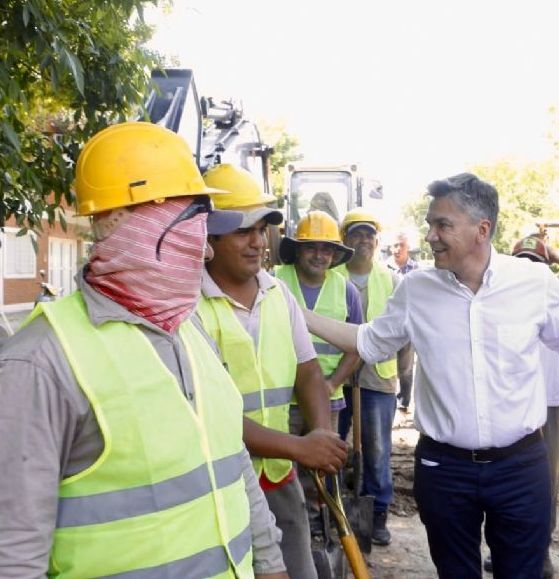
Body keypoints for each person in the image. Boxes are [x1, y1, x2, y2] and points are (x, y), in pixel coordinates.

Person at [303, 172, 559, 579]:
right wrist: (300, 316)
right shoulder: (416, 290)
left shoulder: (532, 282)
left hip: (520, 466)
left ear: (482, 229)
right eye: (430, 224)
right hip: (444, 470)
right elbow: (369, 341)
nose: (431, 236)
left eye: (442, 225)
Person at [0, 122, 288, 578]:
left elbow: (230, 461)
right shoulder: (40, 361)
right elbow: (13, 553)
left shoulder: (189, 328)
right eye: (194, 222)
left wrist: (270, 562)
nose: (206, 252)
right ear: (139, 221)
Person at [199, 164, 348, 579]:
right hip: (220, 479)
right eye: (244, 231)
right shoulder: (189, 304)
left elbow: (309, 373)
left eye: (263, 229)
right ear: (210, 237)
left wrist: (321, 435)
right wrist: (300, 448)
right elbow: (207, 412)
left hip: (279, 479)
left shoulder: (277, 293)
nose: (258, 242)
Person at [484, 234, 559, 577]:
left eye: (535, 261)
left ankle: (539, 552)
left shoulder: (548, 289)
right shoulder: (499, 294)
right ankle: (502, 548)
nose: (528, 267)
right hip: (509, 404)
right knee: (501, 483)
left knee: (543, 484)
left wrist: (557, 254)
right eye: (522, 260)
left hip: (547, 403)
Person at [274, 210, 363, 533]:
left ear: (336, 254)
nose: (319, 255)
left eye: (326, 249)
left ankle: (316, 526)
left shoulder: (346, 291)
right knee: (279, 468)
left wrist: (331, 383)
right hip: (281, 399)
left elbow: (357, 345)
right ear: (297, 250)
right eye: (311, 247)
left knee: (321, 468)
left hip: (328, 399)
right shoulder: (273, 280)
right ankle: (283, 524)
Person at [335, 208, 400, 546]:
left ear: (377, 241)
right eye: (356, 234)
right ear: (345, 240)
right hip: (337, 377)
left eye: (368, 235)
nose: (363, 240)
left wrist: (405, 378)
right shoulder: (332, 276)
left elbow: (406, 336)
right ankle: (332, 508)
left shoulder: (391, 279)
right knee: (331, 444)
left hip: (377, 379)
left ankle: (377, 514)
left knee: (376, 451)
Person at [385, 230, 419, 412]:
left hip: (409, 326)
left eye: (401, 245)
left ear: (408, 248)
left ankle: (403, 400)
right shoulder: (382, 269)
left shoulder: (416, 270)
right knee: (388, 366)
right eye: (394, 245)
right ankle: (388, 398)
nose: (397, 249)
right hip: (389, 325)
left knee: (405, 369)